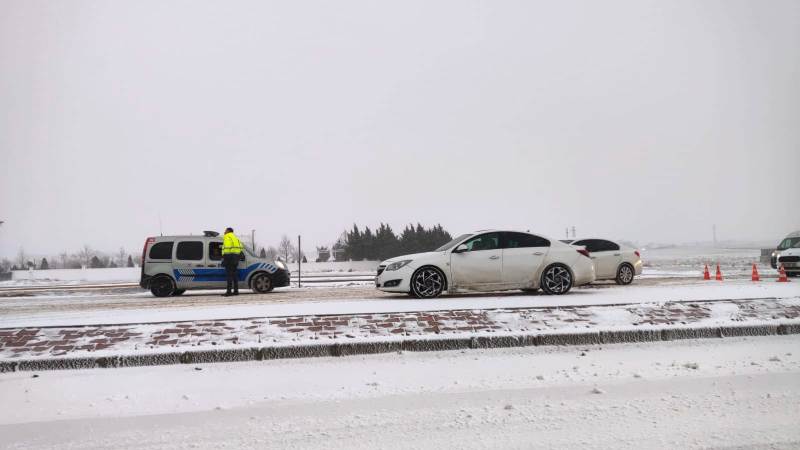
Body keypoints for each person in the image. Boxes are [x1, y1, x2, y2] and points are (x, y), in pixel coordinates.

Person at [221, 227, 244, 296]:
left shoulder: (227, 237)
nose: (224, 231)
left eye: (225, 230)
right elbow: (241, 247)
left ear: (228, 231)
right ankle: (236, 291)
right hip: (235, 258)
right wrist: (236, 256)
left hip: (229, 258)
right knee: (234, 275)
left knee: (229, 275)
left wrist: (225, 258)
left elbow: (227, 248)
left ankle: (229, 292)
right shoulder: (235, 238)